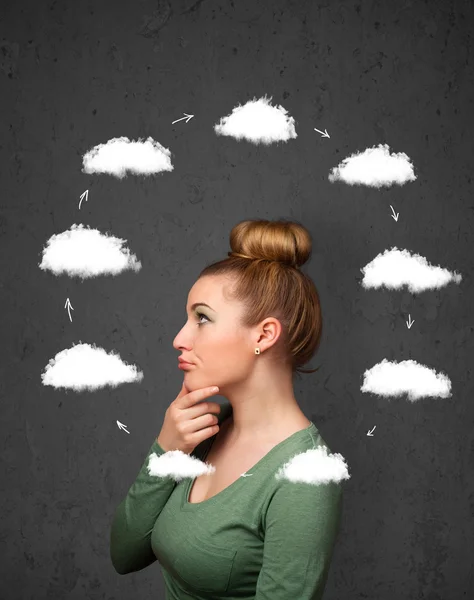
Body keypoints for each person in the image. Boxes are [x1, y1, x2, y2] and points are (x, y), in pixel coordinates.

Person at [110, 219, 348, 599]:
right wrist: (166, 451)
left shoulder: (305, 479)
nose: (179, 339)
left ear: (264, 335)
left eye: (202, 318)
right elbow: (123, 555)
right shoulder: (201, 431)